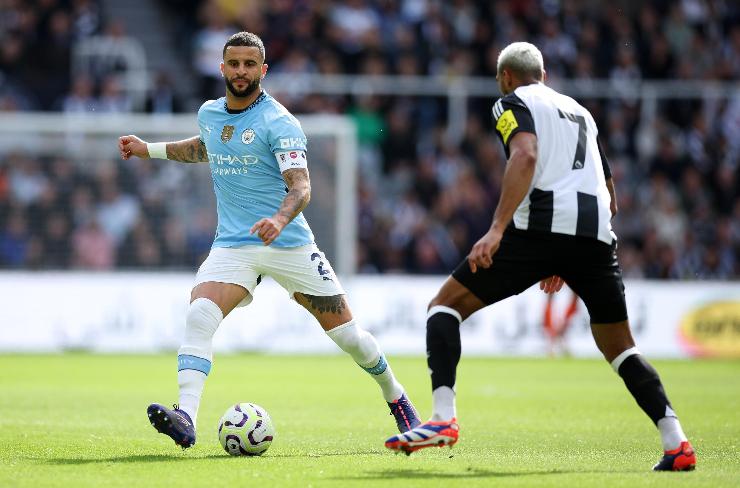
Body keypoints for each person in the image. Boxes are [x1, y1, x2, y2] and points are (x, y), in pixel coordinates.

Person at [384, 42, 696, 472]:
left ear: (506, 77)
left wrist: (497, 230)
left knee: (444, 306)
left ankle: (441, 419)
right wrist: (567, 258)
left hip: (541, 228)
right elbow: (612, 194)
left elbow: (525, 154)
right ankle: (676, 442)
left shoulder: (510, 103)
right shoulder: (582, 113)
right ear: (545, 75)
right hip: (596, 235)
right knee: (621, 347)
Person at [118, 31, 420, 449]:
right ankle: (185, 416)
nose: (240, 71)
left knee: (350, 337)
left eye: (249, 64)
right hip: (233, 245)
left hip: (288, 243)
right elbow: (204, 149)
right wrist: (146, 149)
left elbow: (301, 186)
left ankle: (398, 397)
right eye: (233, 63)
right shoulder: (210, 113)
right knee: (200, 315)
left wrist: (279, 219)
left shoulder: (279, 121)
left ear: (262, 70)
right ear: (222, 68)